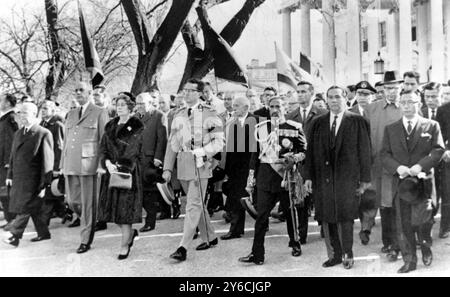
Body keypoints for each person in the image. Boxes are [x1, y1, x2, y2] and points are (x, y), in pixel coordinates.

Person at [304, 86, 371, 270]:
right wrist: (308, 177)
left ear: (345, 99)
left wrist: (365, 180)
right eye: (331, 97)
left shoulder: (357, 121)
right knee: (327, 217)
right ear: (326, 100)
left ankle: (347, 253)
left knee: (345, 217)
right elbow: (310, 152)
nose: (334, 101)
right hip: (323, 179)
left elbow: (365, 152)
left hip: (347, 179)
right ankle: (333, 255)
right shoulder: (318, 122)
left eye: (338, 97)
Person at [381, 90, 444, 273]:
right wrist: (397, 168)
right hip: (402, 183)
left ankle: (425, 244)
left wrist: (421, 165)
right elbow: (384, 154)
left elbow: (438, 150)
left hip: (423, 182)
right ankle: (409, 260)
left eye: (412, 102)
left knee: (424, 219)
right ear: (400, 104)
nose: (408, 105)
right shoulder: (391, 129)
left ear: (419, 104)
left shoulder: (431, 126)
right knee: (404, 222)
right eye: (404, 102)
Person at [239, 96, 306, 265]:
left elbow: (304, 150)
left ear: (285, 108)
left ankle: (295, 243)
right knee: (261, 217)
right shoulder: (261, 128)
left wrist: (295, 158)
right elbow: (255, 156)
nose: (275, 109)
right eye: (272, 106)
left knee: (290, 214)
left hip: (285, 178)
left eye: (279, 106)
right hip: (265, 179)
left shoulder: (294, 127)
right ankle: (257, 254)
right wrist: (251, 178)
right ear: (268, 108)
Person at [163, 78, 224, 262]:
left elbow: (219, 142)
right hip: (183, 164)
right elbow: (172, 143)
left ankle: (183, 247)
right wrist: (167, 168)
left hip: (200, 165)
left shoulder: (210, 113)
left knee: (192, 205)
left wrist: (204, 151)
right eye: (185, 90)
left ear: (199, 93)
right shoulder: (178, 114)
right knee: (197, 204)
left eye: (191, 90)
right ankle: (210, 237)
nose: (186, 93)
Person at [61, 81, 109, 254]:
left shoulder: (99, 112)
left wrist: (101, 165)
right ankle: (88, 222)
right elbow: (66, 141)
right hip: (71, 164)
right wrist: (62, 165)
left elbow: (104, 141)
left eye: (81, 90)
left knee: (88, 204)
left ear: (89, 92)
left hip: (89, 166)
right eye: (76, 90)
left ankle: (85, 239)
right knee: (72, 202)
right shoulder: (71, 114)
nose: (78, 92)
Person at [98, 93, 143, 260]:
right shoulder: (110, 125)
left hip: (127, 172)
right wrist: (108, 163)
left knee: (125, 213)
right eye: (118, 104)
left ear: (130, 107)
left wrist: (121, 165)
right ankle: (130, 234)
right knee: (113, 212)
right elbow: (103, 148)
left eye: (123, 104)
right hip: (111, 172)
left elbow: (134, 149)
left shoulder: (136, 124)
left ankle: (125, 246)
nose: (120, 107)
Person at [3, 102, 54, 247]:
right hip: (20, 179)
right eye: (20, 113)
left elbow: (47, 162)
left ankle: (14, 235)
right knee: (34, 209)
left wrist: (45, 183)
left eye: (25, 113)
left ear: (34, 114)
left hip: (34, 181)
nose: (21, 116)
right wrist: (9, 175)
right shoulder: (19, 133)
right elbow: (13, 157)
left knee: (25, 208)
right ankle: (44, 233)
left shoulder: (43, 133)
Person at [365, 70, 404, 254]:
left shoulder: (407, 107)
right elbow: (365, 139)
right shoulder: (371, 109)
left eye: (395, 88)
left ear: (400, 88)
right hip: (378, 167)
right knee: (384, 205)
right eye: (388, 88)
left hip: (400, 166)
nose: (391, 91)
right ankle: (387, 242)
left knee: (400, 205)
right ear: (382, 89)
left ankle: (399, 243)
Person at [221, 97, 257, 240]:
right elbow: (230, 148)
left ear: (246, 107)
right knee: (236, 199)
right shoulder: (232, 123)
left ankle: (262, 224)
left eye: (237, 106)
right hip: (236, 170)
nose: (233, 108)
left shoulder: (257, 121)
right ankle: (235, 230)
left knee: (256, 200)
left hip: (252, 168)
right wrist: (227, 170)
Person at [349, 81, 377, 245]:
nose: (363, 97)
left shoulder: (377, 112)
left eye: (366, 94)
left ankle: (366, 227)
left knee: (370, 195)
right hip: (354, 163)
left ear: (372, 96)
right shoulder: (349, 113)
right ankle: (360, 221)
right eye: (360, 94)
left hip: (373, 161)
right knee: (356, 194)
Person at [135, 92, 168, 232]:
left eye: (142, 103)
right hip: (136, 160)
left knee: (150, 192)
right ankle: (150, 217)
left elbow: (162, 139)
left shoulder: (159, 116)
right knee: (140, 192)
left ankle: (150, 221)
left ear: (150, 103)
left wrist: (158, 158)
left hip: (151, 161)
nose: (140, 106)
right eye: (138, 103)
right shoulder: (134, 117)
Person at [39, 100, 66, 225]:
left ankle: (43, 224)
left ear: (53, 110)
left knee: (49, 194)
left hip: (52, 165)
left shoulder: (57, 125)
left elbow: (59, 147)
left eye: (45, 108)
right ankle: (64, 212)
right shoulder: (42, 124)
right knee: (55, 194)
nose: (43, 111)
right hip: (43, 164)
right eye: (42, 108)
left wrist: (57, 167)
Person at [0, 93, 19, 229]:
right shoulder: (4, 119)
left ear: (7, 103)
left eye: (1, 100)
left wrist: (9, 161)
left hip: (6, 162)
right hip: (1, 161)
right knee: (3, 192)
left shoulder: (11, 118)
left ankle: (12, 220)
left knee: (7, 191)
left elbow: (12, 141)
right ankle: (9, 219)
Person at [436, 86, 450, 239]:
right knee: (448, 193)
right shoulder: (444, 110)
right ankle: (446, 226)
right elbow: (439, 137)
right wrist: (445, 149)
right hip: (449, 159)